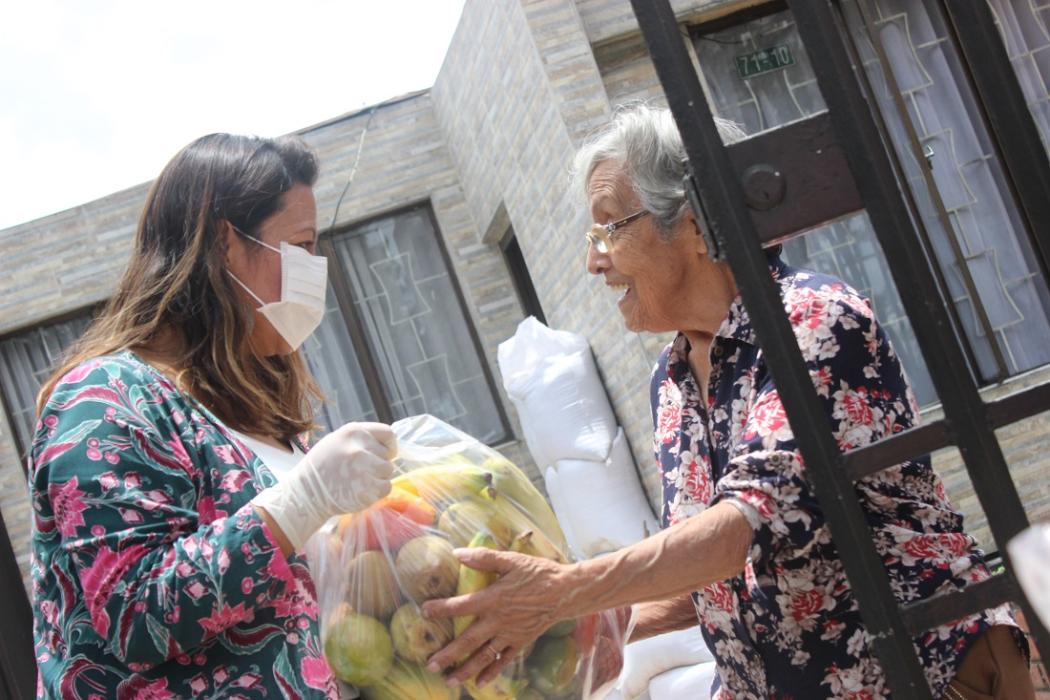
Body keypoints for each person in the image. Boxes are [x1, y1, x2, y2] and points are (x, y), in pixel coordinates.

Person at [422, 105, 1034, 699]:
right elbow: (707, 566)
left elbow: (741, 528)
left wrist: (565, 591)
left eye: (608, 228)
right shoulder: (673, 378)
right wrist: (600, 629)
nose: (593, 261)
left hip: (921, 669)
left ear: (690, 224)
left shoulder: (809, 320)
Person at [29, 133, 395, 699]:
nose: (313, 270)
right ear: (226, 243)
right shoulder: (103, 399)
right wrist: (304, 500)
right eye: (300, 246)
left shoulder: (248, 408)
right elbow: (135, 613)